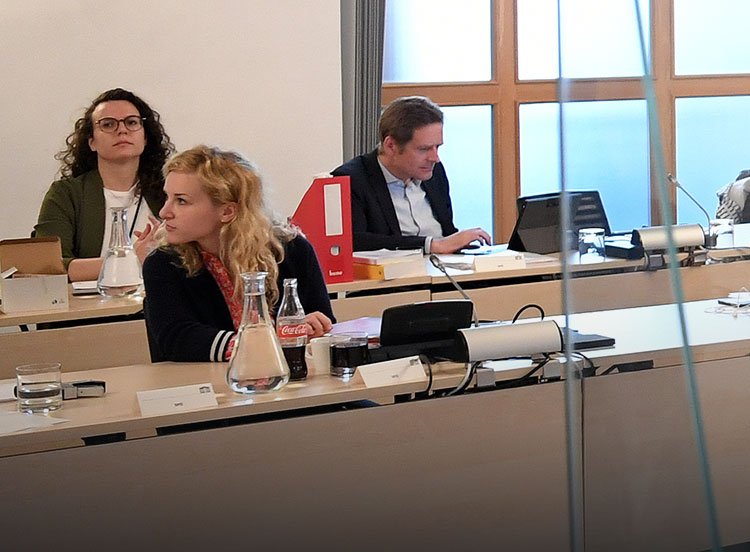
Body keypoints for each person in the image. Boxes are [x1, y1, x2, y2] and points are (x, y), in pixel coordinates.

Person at [143, 146, 335, 363]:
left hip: (293, 376)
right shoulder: (163, 262)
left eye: (181, 201)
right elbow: (177, 338)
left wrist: (314, 327)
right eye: (167, 197)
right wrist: (266, 343)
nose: (164, 212)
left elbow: (323, 321)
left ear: (227, 211)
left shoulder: (293, 250)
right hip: (207, 380)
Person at [34, 88, 174, 281]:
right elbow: (47, 267)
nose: (122, 130)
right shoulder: (65, 194)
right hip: (92, 301)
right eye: (108, 124)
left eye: (131, 122)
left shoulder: (171, 191)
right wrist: (131, 260)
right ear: (91, 142)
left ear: (145, 138)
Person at [332, 95, 491, 254]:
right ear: (391, 146)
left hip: (443, 266)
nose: (435, 158)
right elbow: (354, 241)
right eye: (424, 149)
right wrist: (430, 245)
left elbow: (446, 233)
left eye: (437, 147)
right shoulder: (351, 181)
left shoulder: (434, 172)